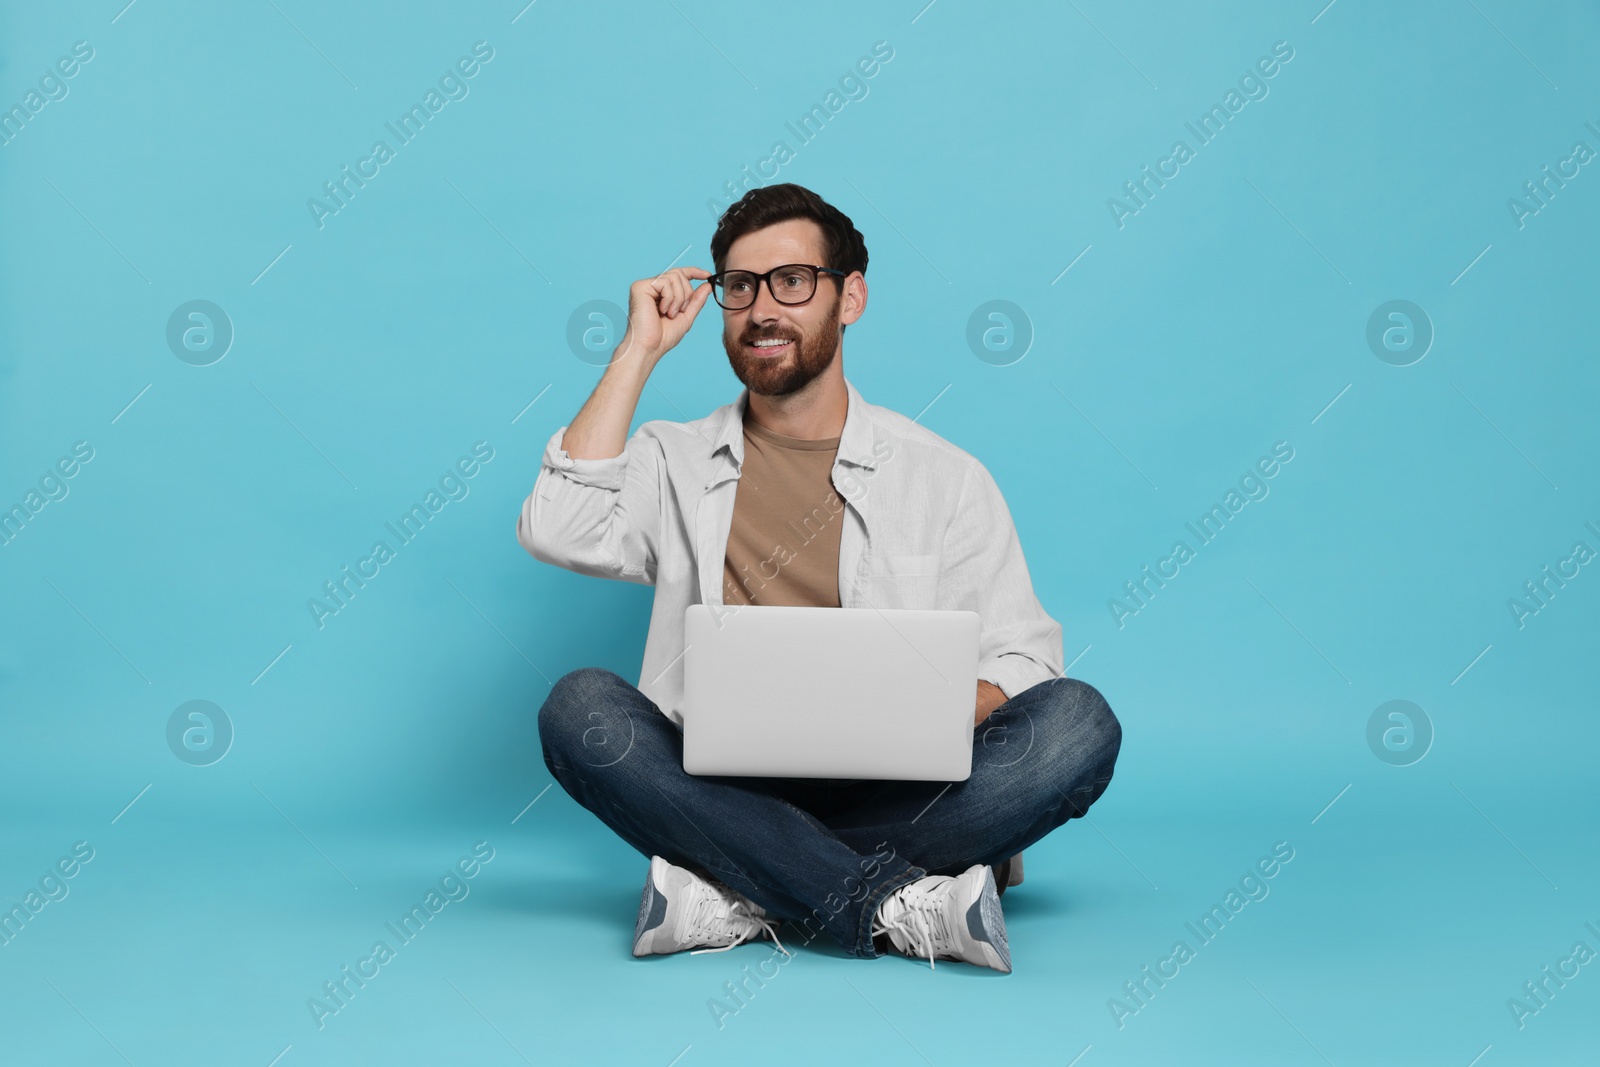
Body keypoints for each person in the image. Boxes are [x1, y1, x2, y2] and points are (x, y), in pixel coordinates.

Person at [518, 183, 1121, 972]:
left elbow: (1028, 660)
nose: (763, 308)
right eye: (740, 287)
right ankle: (902, 903)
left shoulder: (945, 475)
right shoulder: (674, 458)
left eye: (792, 281)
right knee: (578, 710)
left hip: (895, 789)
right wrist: (638, 351)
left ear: (851, 297)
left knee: (1078, 723)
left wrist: (934, 702)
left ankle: (740, 882)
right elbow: (558, 525)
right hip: (726, 783)